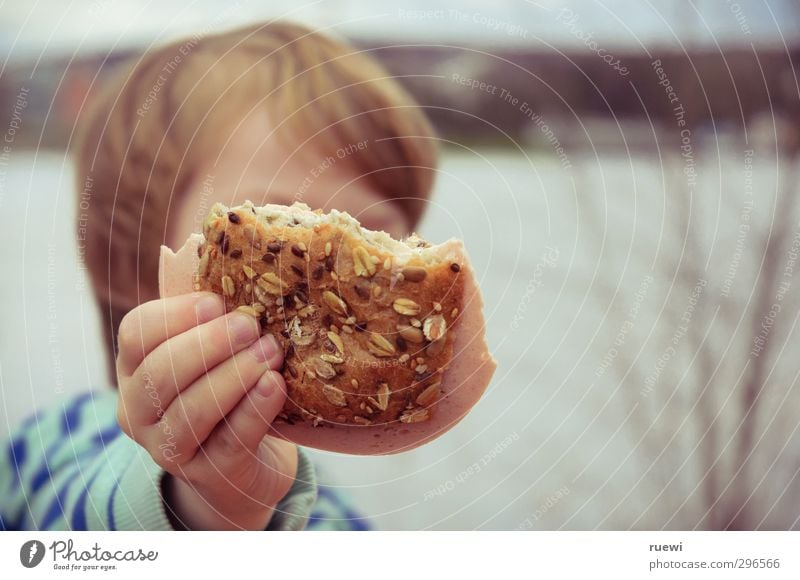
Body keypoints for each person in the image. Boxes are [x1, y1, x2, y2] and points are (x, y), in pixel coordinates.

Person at [0, 21, 438, 530]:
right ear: (135, 260)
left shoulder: (341, 525)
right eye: (280, 231)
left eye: (375, 244)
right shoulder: (54, 450)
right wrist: (209, 509)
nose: (333, 288)